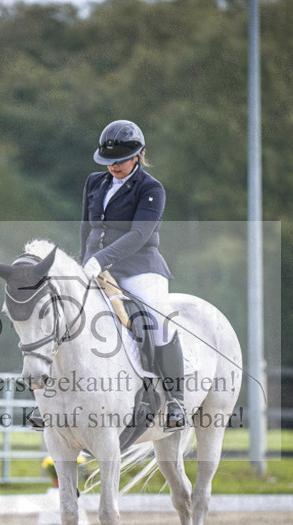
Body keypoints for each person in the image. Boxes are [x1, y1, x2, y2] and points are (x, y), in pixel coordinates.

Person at [79, 119, 186, 431]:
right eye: (109, 161)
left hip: (140, 267)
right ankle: (53, 398)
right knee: (65, 312)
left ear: (138, 155)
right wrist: (84, 262)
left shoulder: (151, 189)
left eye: (120, 161)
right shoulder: (93, 183)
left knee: (160, 321)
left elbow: (139, 235)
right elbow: (86, 228)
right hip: (97, 267)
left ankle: (175, 398)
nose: (114, 166)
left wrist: (100, 259)